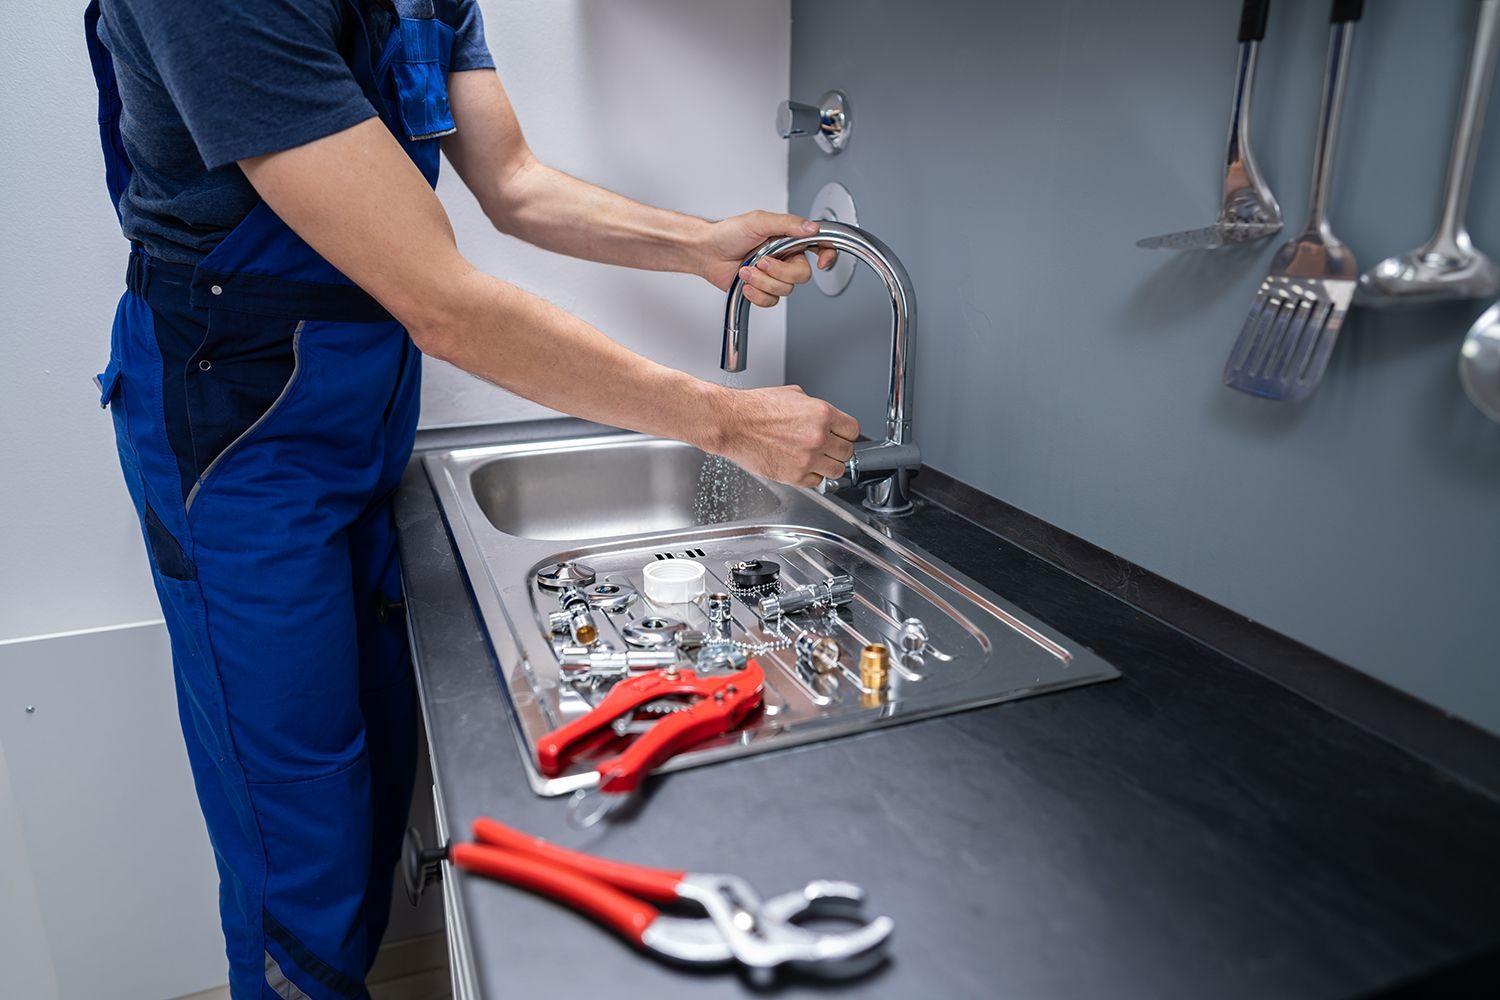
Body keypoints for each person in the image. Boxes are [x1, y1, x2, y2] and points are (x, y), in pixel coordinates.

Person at [84, 1, 856, 995]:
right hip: (234, 440)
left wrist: (699, 244)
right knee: (296, 825)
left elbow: (516, 183)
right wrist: (728, 421)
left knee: (369, 773)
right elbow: (442, 301)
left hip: (361, 415)